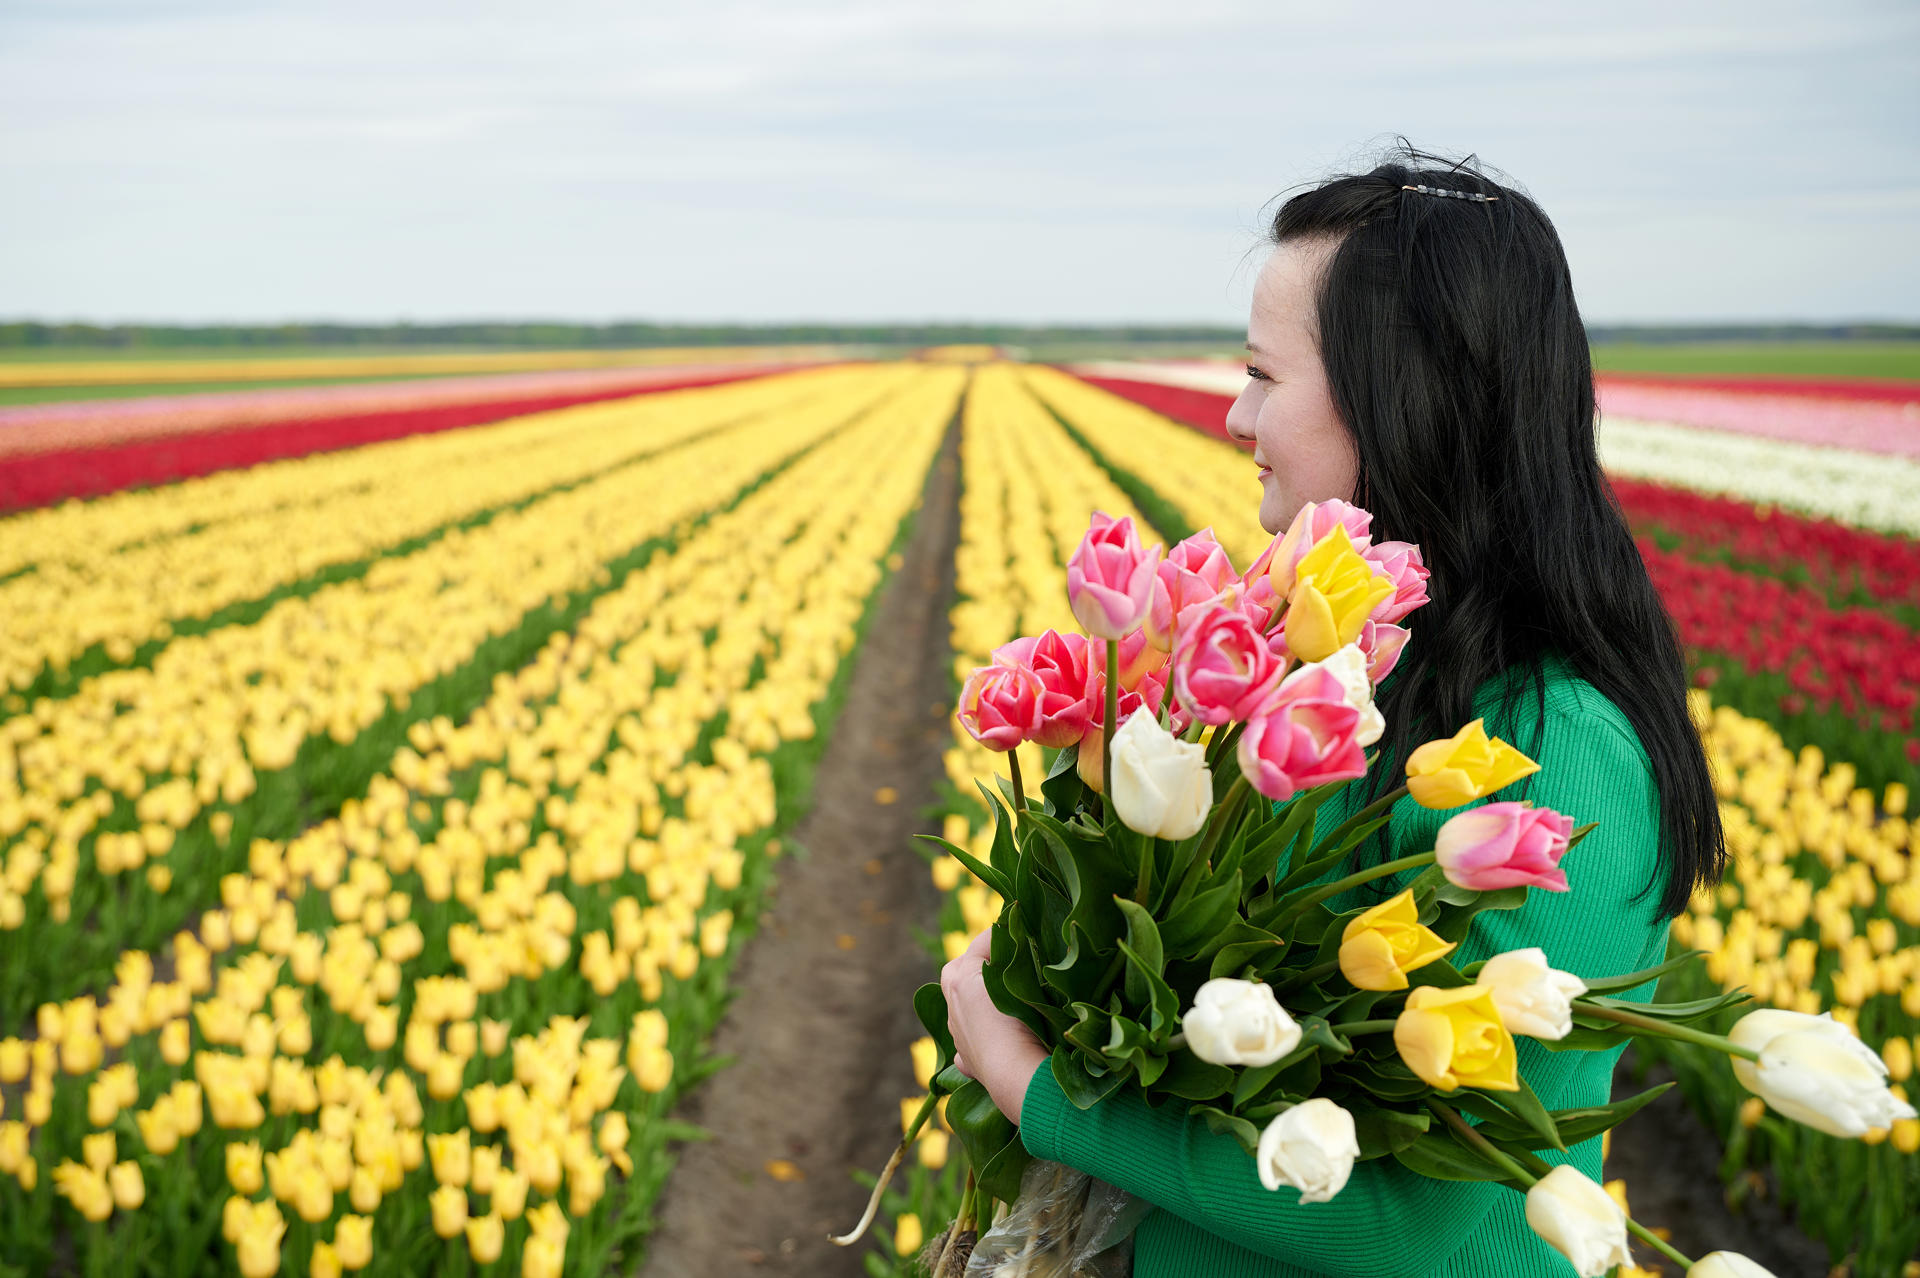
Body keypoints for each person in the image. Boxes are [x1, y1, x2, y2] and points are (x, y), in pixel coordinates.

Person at [941, 143, 1729, 1277]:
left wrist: (1035, 1089)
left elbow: (1404, 1215)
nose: (1232, 415)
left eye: (1263, 373)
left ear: (1401, 396)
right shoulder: (1342, 686)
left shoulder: (1561, 756)